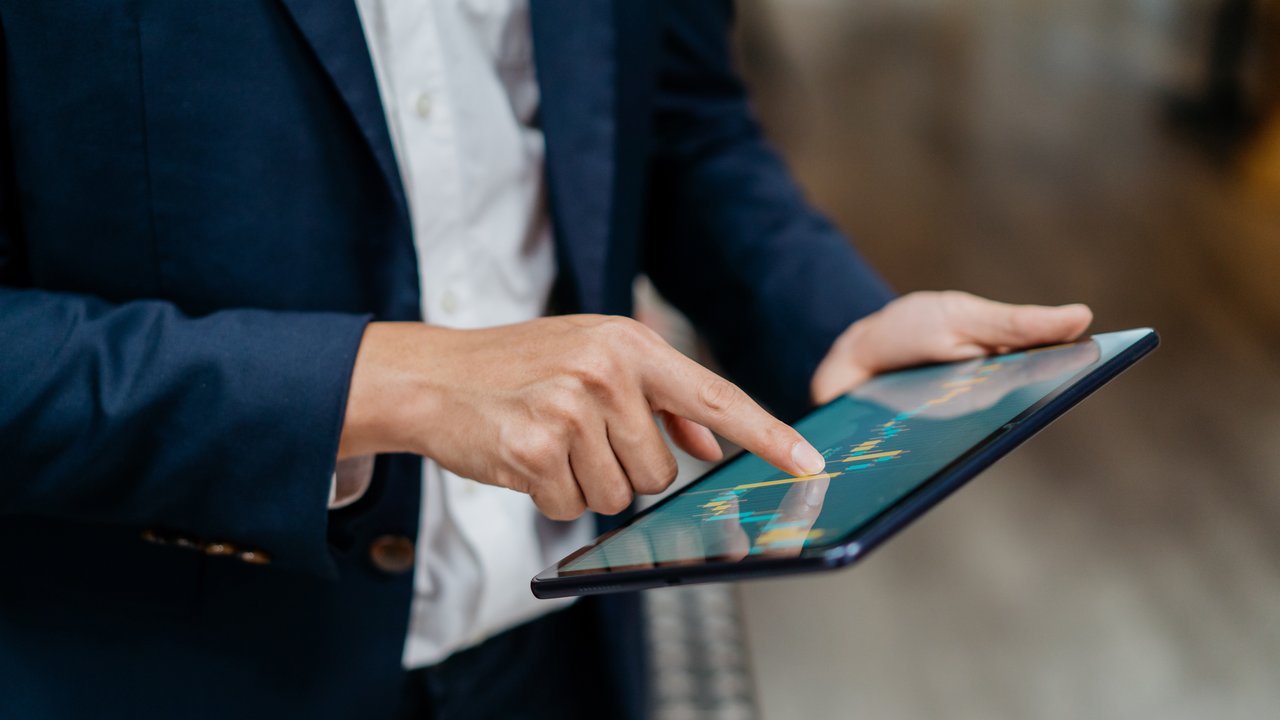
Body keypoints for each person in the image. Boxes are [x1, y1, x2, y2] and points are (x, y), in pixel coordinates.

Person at [0, 2, 1092, 718]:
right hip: (158, 667)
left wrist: (826, 320)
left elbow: (675, 120)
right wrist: (377, 384)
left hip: (557, 650)